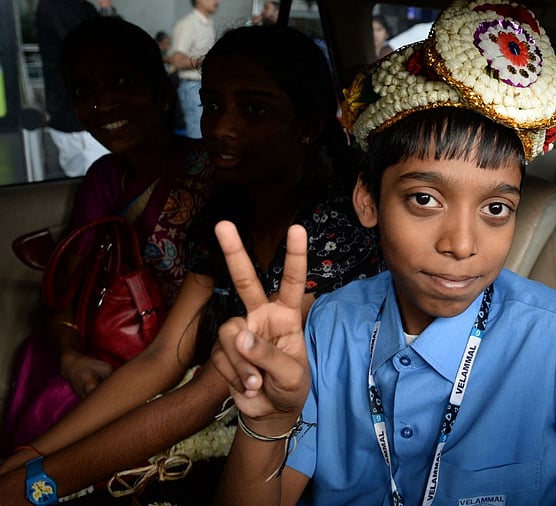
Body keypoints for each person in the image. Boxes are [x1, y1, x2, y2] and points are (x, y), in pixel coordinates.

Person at [212, 1, 556, 505]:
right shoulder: (334, 323)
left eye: (496, 209)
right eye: (424, 199)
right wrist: (270, 419)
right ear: (368, 201)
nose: (463, 244)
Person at [0, 24, 381, 506]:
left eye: (254, 108)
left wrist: (36, 485)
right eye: (213, 104)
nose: (221, 127)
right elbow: (165, 356)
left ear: (305, 125)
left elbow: (208, 393)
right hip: (246, 416)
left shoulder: (330, 226)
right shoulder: (228, 214)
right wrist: (33, 453)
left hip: (325, 446)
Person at [0, 16, 215, 459]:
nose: (104, 103)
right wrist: (70, 356)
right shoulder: (103, 180)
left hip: (191, 358)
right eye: (85, 92)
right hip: (111, 349)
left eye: (122, 81)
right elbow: (67, 289)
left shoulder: (212, 172)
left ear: (160, 91)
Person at [35, 0, 110, 177]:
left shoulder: (83, 7)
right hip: (80, 120)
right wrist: (107, 9)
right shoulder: (58, 6)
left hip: (79, 114)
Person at [171, 0, 219, 139]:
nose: (217, 1)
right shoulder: (188, 23)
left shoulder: (208, 23)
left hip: (204, 85)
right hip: (192, 86)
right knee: (198, 135)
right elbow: (178, 60)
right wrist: (209, 60)